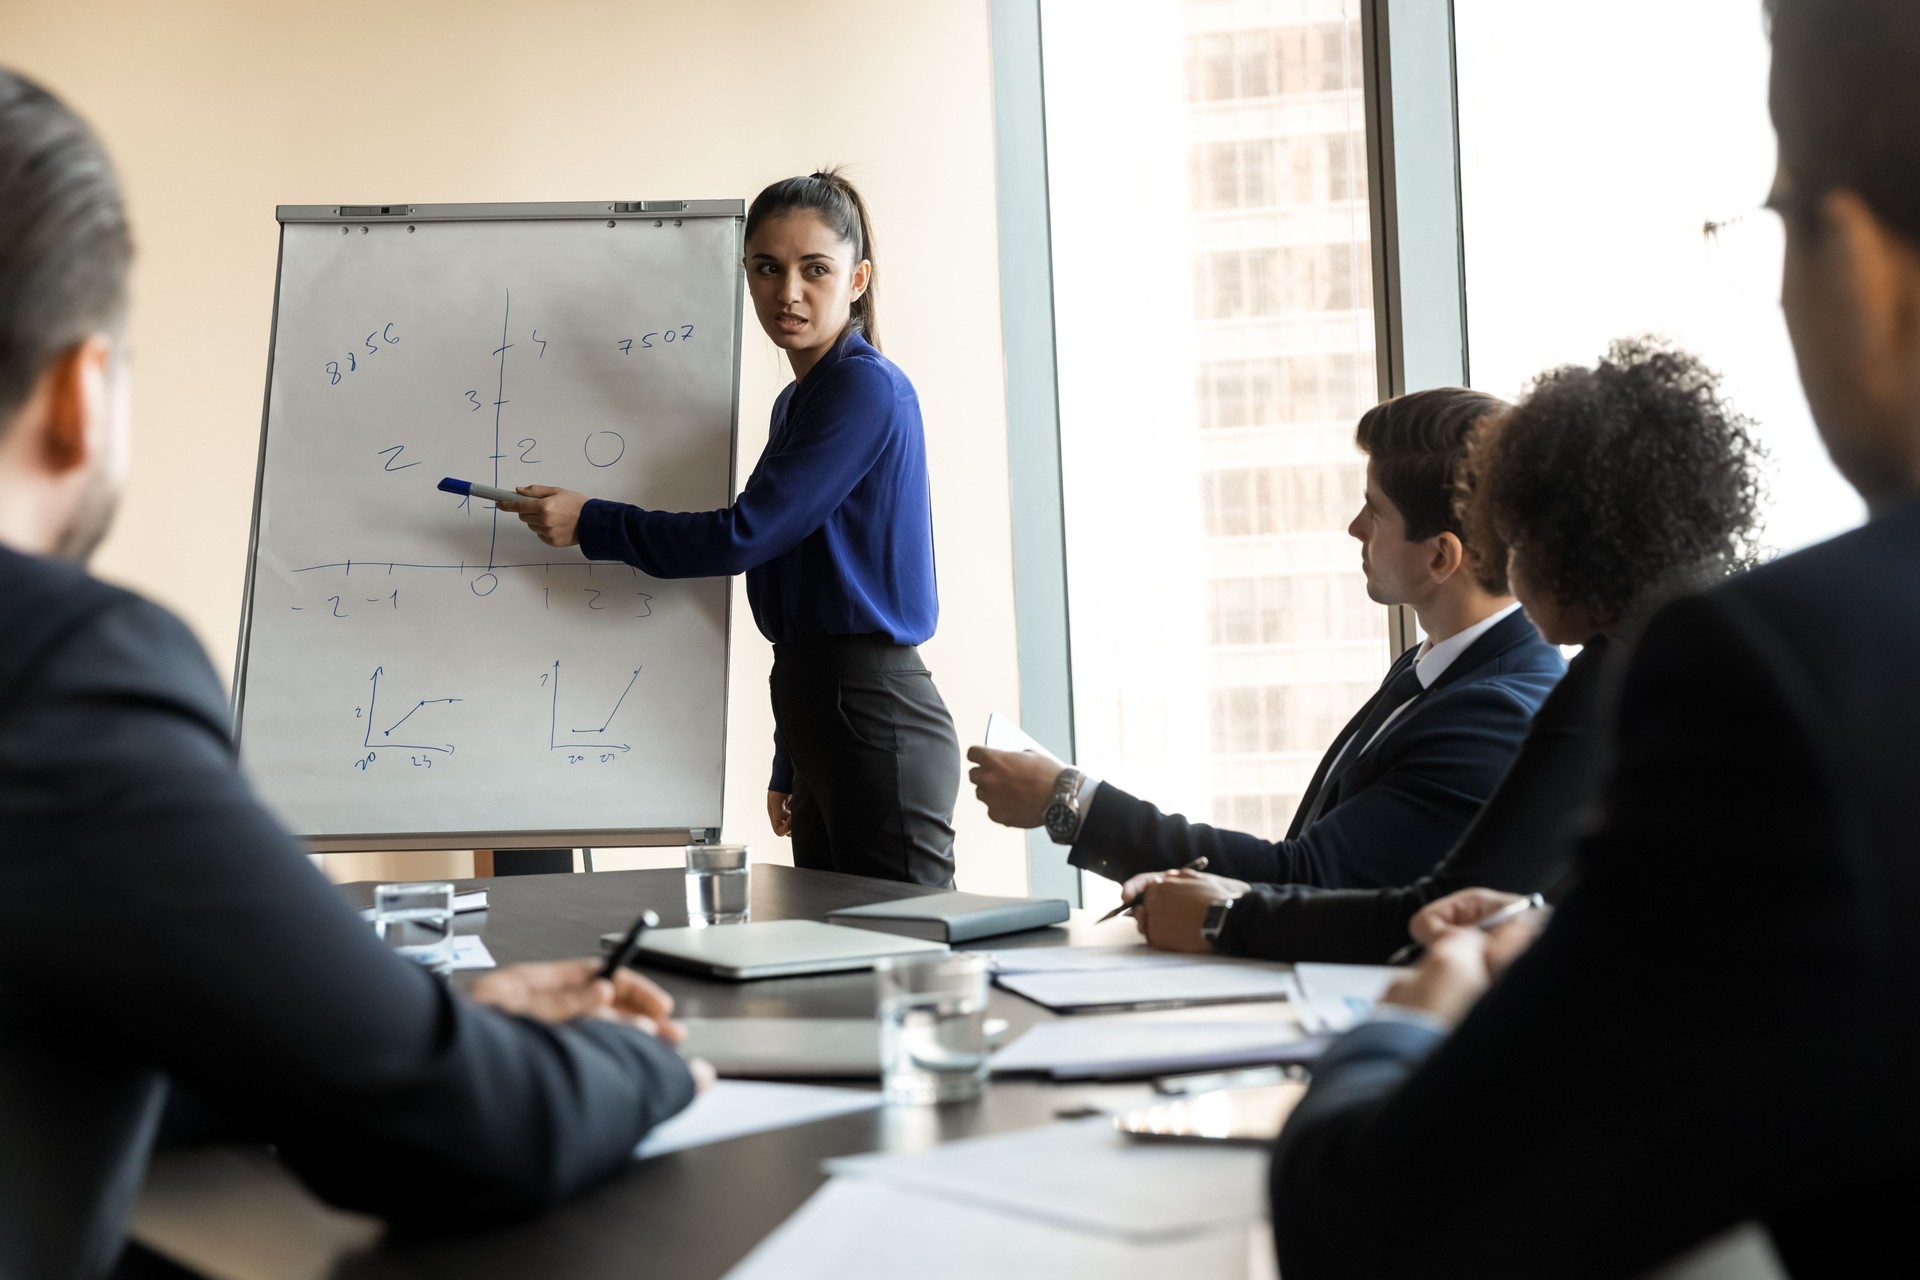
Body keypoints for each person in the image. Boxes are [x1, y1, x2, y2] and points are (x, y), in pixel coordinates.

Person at [0, 70, 698, 1279]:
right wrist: (655, 1063)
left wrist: (391, 1030)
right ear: (80, 391)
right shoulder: (59, 669)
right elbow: (447, 1134)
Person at [1267, 2, 1920, 1275]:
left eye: (1776, 225)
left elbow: (1380, 1230)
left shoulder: (1785, 678)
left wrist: (1419, 1013)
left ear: (1855, 253)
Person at [1125, 338, 1765, 960]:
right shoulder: (1658, 671)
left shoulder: (1600, 687)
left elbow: (1440, 910)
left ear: (1581, 546)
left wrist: (1226, 918)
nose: (1497, 556)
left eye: (1510, 530)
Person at [502, 171, 959, 887]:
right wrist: (791, 754)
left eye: (816, 270)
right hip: (825, 711)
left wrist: (593, 522)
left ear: (858, 278)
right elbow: (799, 586)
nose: (789, 293)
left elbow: (745, 537)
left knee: (910, 962)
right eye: (767, 269)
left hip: (873, 713)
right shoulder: (799, 401)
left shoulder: (862, 386)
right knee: (843, 964)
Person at [968, 388, 1565, 891]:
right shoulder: (1438, 667)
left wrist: (1072, 802)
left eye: (1375, 512)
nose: (1354, 527)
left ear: (1441, 556)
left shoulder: (1493, 713)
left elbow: (1303, 877)